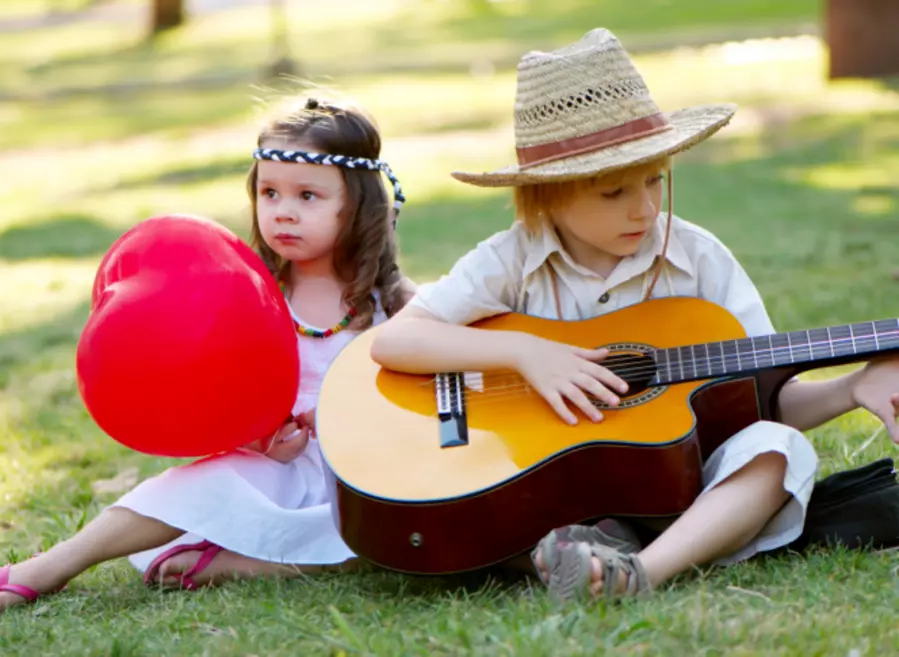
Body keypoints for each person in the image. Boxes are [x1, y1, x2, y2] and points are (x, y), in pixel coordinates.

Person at [369, 28, 899, 603]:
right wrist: (525, 352)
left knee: (778, 448)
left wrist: (853, 386)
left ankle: (636, 571)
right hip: (546, 486)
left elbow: (762, 402)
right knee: (499, 506)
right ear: (546, 193)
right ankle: (587, 543)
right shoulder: (511, 260)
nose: (644, 208)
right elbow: (395, 343)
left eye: (654, 180)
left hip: (679, 490)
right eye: (613, 192)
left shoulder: (697, 261)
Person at [0, 97, 416, 613]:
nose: (283, 211)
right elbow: (228, 394)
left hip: (361, 475)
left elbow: (417, 396)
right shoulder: (248, 293)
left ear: (357, 205)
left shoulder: (395, 305)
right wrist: (262, 440)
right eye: (269, 193)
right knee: (195, 484)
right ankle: (55, 564)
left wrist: (344, 414)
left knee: (402, 534)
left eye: (307, 195)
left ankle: (259, 564)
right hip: (278, 467)